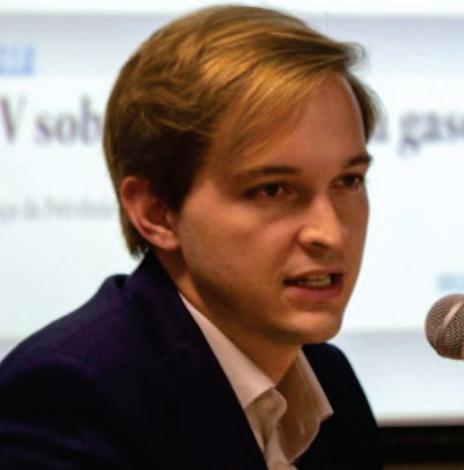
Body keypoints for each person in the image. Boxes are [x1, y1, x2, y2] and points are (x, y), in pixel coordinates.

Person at [0, 5, 382, 469]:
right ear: (156, 213)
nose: (331, 233)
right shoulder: (71, 400)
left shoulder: (328, 379)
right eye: (273, 189)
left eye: (348, 181)